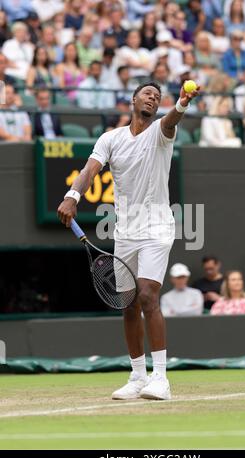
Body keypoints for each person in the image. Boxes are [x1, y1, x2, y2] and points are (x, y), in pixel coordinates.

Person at [57, 81, 200, 400]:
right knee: (128, 305)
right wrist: (72, 195)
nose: (152, 98)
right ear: (133, 99)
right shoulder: (110, 138)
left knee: (148, 295)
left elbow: (170, 119)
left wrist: (180, 105)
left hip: (157, 227)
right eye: (147, 93)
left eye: (157, 96)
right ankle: (137, 376)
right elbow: (90, 169)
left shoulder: (161, 132)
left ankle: (160, 378)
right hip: (125, 231)